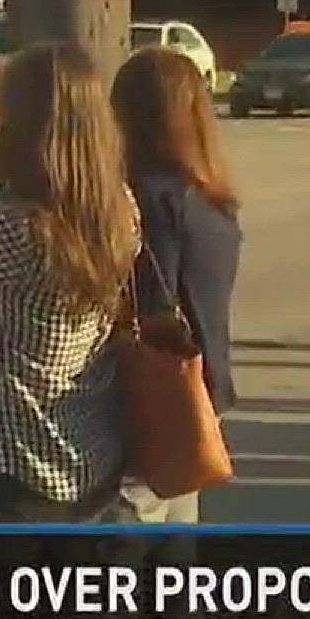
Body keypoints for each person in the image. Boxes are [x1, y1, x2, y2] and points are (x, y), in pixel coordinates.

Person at [0, 41, 148, 619]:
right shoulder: (119, 214)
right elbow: (56, 183)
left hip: (14, 486)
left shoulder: (6, 236)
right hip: (93, 478)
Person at [111, 45, 244, 525]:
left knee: (128, 537)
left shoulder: (145, 200)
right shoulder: (214, 202)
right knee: (175, 549)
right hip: (198, 398)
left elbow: (147, 307)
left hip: (153, 403)